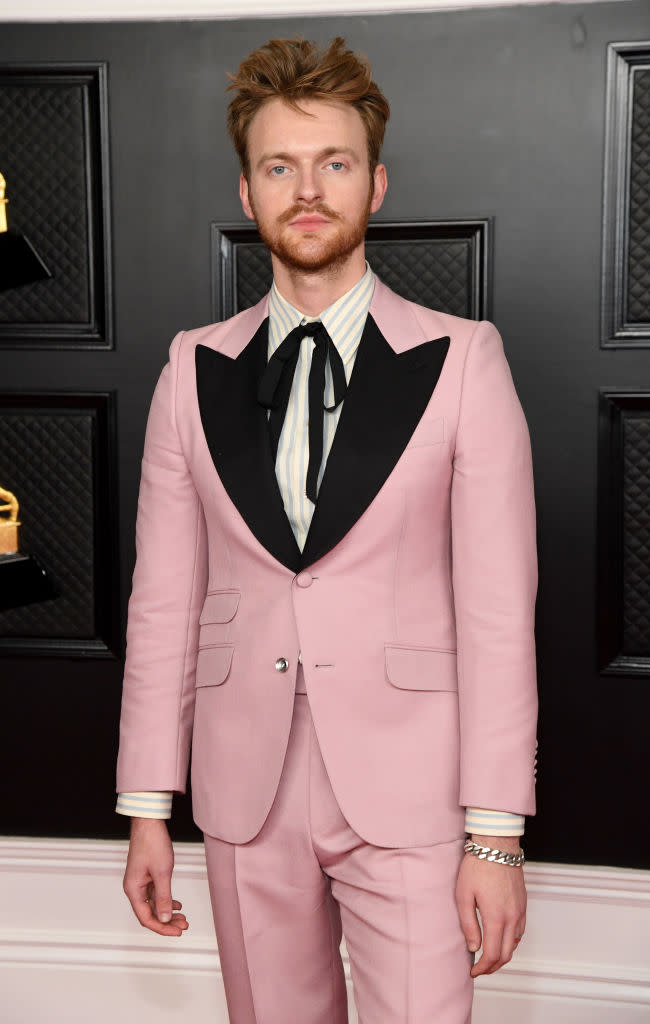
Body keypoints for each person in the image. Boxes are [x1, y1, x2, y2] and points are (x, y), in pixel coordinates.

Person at [116, 36, 538, 1024]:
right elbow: (164, 602)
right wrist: (146, 807)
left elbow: (494, 613)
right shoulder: (190, 367)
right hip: (241, 791)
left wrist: (494, 837)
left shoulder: (463, 360)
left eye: (333, 164)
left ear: (374, 183)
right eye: (280, 167)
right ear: (248, 189)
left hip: (414, 792)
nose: (307, 190)